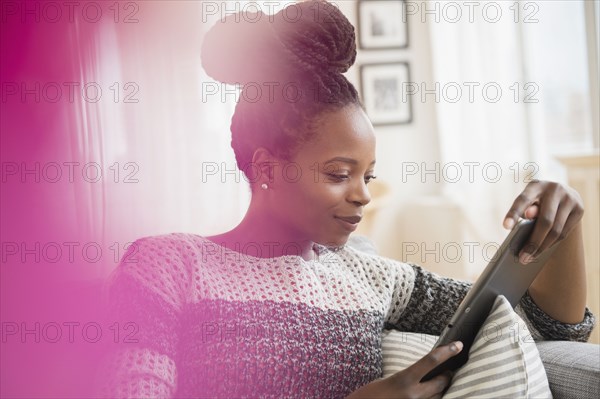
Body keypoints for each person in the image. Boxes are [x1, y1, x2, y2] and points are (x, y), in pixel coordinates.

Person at [94, 1, 595, 398]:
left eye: (368, 176)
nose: (362, 196)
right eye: (339, 174)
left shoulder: (370, 276)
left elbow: (546, 328)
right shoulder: (168, 265)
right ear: (267, 167)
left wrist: (563, 226)